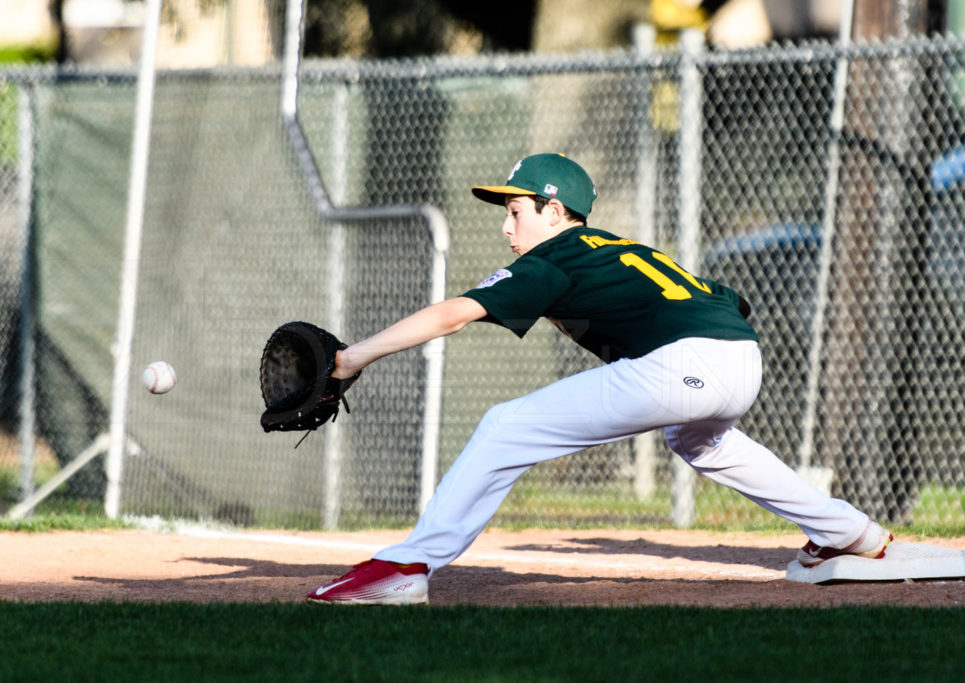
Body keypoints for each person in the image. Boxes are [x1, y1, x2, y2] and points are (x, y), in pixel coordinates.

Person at [306, 153, 892, 605]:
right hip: (741, 357)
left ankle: (408, 568)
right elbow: (727, 301)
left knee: (506, 424)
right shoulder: (611, 247)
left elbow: (452, 314)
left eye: (517, 211)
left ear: (555, 212)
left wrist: (353, 357)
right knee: (699, 441)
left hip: (687, 363)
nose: (507, 228)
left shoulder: (553, 258)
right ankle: (850, 533)